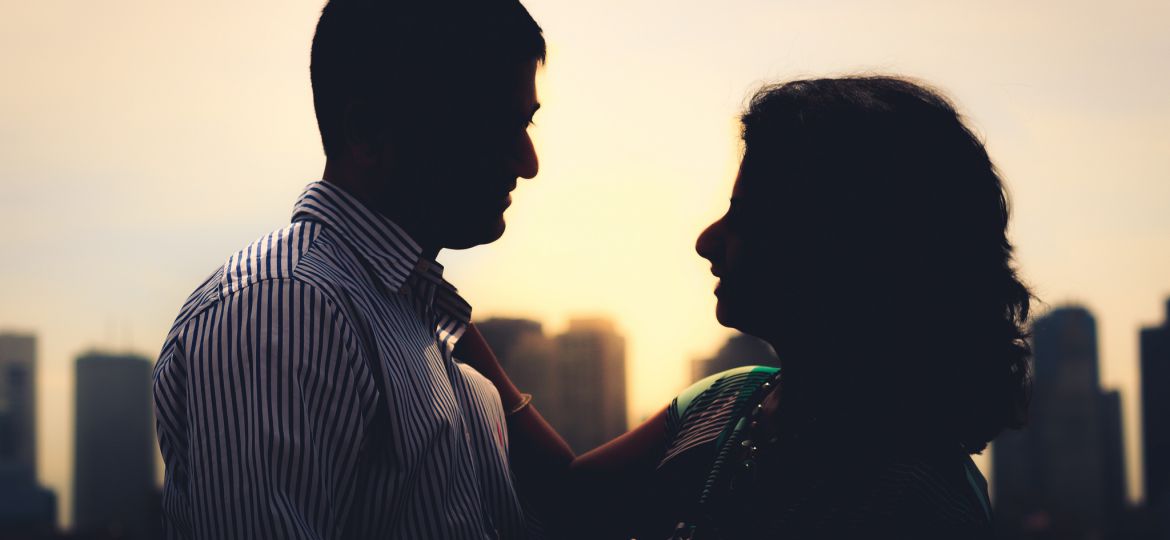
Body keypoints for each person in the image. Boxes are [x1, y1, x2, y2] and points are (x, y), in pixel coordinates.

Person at [455, 76, 1033, 539]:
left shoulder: (918, 502)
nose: (707, 241)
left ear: (837, 242)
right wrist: (449, 319)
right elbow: (571, 501)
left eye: (745, 213)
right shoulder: (727, 402)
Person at [152, 1, 547, 538]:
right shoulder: (285, 312)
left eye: (525, 124)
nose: (528, 163)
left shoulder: (422, 332)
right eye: (495, 124)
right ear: (365, 131)